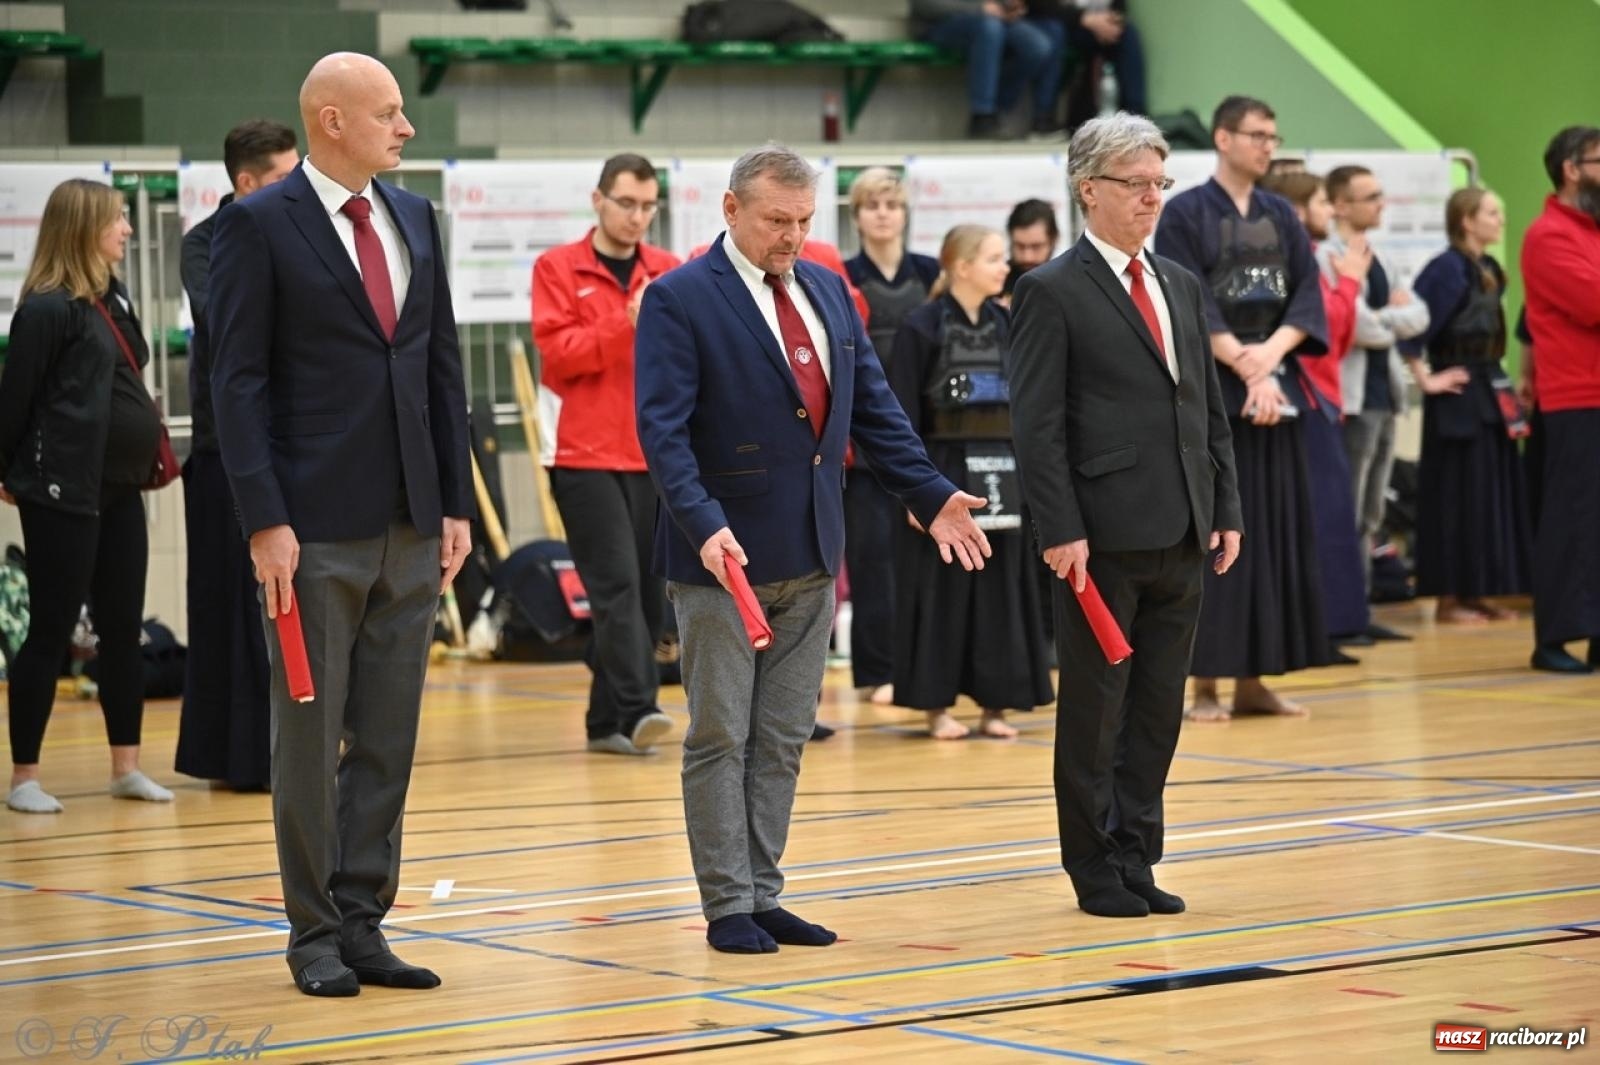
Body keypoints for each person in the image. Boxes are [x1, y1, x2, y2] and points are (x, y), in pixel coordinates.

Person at [635, 144, 992, 954]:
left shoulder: (830, 290)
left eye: (803, 221)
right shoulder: (680, 299)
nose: (792, 236)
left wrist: (930, 494)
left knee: (786, 734)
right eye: (775, 221)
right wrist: (702, 522)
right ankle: (726, 902)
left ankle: (763, 891)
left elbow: (874, 410)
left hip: (812, 548)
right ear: (731, 211)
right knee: (721, 733)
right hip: (721, 555)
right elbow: (662, 434)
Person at [208, 52, 474, 996]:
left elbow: (442, 368)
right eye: (390, 113)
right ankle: (312, 931)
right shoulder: (255, 227)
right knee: (311, 738)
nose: (405, 129)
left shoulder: (415, 217)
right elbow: (234, 385)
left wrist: (456, 502)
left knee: (389, 738)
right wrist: (264, 520)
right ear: (332, 120)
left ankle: (365, 921)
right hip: (311, 529)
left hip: (411, 520)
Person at [1009, 112, 1242, 917]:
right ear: (1090, 190)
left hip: (1183, 527)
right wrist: (1061, 527)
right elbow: (1036, 428)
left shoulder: (1178, 281)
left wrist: (1226, 505)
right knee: (1094, 708)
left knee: (1158, 706)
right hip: (1099, 539)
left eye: (1159, 184)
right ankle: (1093, 864)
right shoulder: (1048, 291)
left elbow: (1206, 408)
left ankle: (1139, 852)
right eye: (1137, 184)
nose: (1153, 198)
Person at [1154, 95, 1334, 722]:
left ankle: (1254, 680)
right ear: (1224, 139)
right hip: (1213, 392)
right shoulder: (1182, 214)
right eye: (1256, 134)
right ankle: (1202, 683)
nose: (1267, 145)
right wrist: (1242, 362)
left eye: (1273, 135)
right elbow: (1187, 298)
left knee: (1270, 536)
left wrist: (1269, 360)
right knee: (1215, 536)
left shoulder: (1283, 213)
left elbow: (1307, 297)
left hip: (1274, 389)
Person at [0, 179, 176, 814]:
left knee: (122, 629)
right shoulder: (46, 309)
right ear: (83, 229)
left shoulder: (113, 296)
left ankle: (125, 766)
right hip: (62, 490)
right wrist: (10, 472)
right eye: (118, 220)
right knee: (50, 630)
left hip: (121, 488)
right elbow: (15, 399)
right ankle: (24, 776)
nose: (127, 230)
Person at [533, 154, 681, 756]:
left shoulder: (667, 271)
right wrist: (627, 321)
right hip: (582, 454)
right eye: (627, 203)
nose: (638, 216)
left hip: (651, 454)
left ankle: (603, 721)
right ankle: (642, 707)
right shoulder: (557, 268)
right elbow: (560, 355)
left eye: (648, 206)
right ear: (599, 200)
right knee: (614, 584)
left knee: (648, 596)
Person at [887, 225, 1054, 739]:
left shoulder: (1010, 324)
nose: (1005, 267)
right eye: (994, 258)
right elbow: (901, 416)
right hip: (943, 471)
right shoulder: (920, 327)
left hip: (1004, 469)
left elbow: (1030, 404)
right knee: (941, 590)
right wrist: (917, 494)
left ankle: (995, 706)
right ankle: (936, 707)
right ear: (960, 266)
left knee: (1003, 588)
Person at [175, 119, 299, 792]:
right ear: (246, 182)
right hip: (227, 448)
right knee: (227, 604)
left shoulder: (303, 228)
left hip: (292, 443)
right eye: (283, 176)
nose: (297, 185)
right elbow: (226, 323)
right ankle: (238, 755)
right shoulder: (205, 243)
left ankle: (291, 746)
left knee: (286, 602)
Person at [1400, 188, 1531, 625]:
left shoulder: (1489, 268)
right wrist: (1426, 379)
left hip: (1489, 388)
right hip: (1456, 397)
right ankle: (1449, 598)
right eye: (1492, 213)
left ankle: (1480, 591)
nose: (1500, 221)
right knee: (1457, 496)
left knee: (1489, 496)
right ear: (1466, 221)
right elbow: (1412, 331)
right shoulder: (1444, 270)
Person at [1259, 169, 1371, 648]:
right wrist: (1348, 286)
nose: (1331, 211)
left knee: (1337, 514)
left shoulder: (1311, 258)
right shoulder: (1298, 261)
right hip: (1303, 393)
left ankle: (1342, 621)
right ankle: (1322, 627)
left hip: (1321, 396)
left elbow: (1336, 339)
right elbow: (1324, 333)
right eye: (1323, 202)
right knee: (1321, 516)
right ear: (1298, 209)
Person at [1318, 164, 1430, 640]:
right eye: (1370, 197)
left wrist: (1385, 319)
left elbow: (1421, 314)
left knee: (1372, 512)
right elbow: (1358, 325)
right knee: (1346, 508)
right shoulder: (1328, 256)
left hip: (1388, 398)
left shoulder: (1378, 255)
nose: (1381, 204)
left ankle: (1360, 607)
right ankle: (1339, 613)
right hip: (1355, 400)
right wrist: (1392, 318)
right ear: (1341, 205)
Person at [843, 167, 941, 705]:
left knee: (919, 559)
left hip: (919, 437)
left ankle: (920, 665)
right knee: (871, 558)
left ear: (905, 214)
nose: (882, 213)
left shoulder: (930, 272)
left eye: (891, 204)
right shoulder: (842, 273)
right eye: (871, 205)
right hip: (861, 445)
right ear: (856, 216)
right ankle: (876, 671)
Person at [1522, 125, 1600, 674]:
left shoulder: (1591, 231)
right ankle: (1554, 637)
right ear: (1572, 168)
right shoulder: (1549, 235)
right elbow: (1593, 303)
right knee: (1574, 521)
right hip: (1577, 396)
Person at [911, 0, 1066, 140]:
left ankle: (999, 110)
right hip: (942, 23)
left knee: (1038, 46)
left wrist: (1011, 7)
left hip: (994, 19)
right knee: (990, 28)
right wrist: (980, 8)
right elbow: (924, 5)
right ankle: (982, 115)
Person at [1002, 197, 1061, 302]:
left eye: (1036, 247)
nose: (1027, 257)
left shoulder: (1070, 283)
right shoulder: (994, 283)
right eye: (1020, 246)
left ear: (1054, 240)